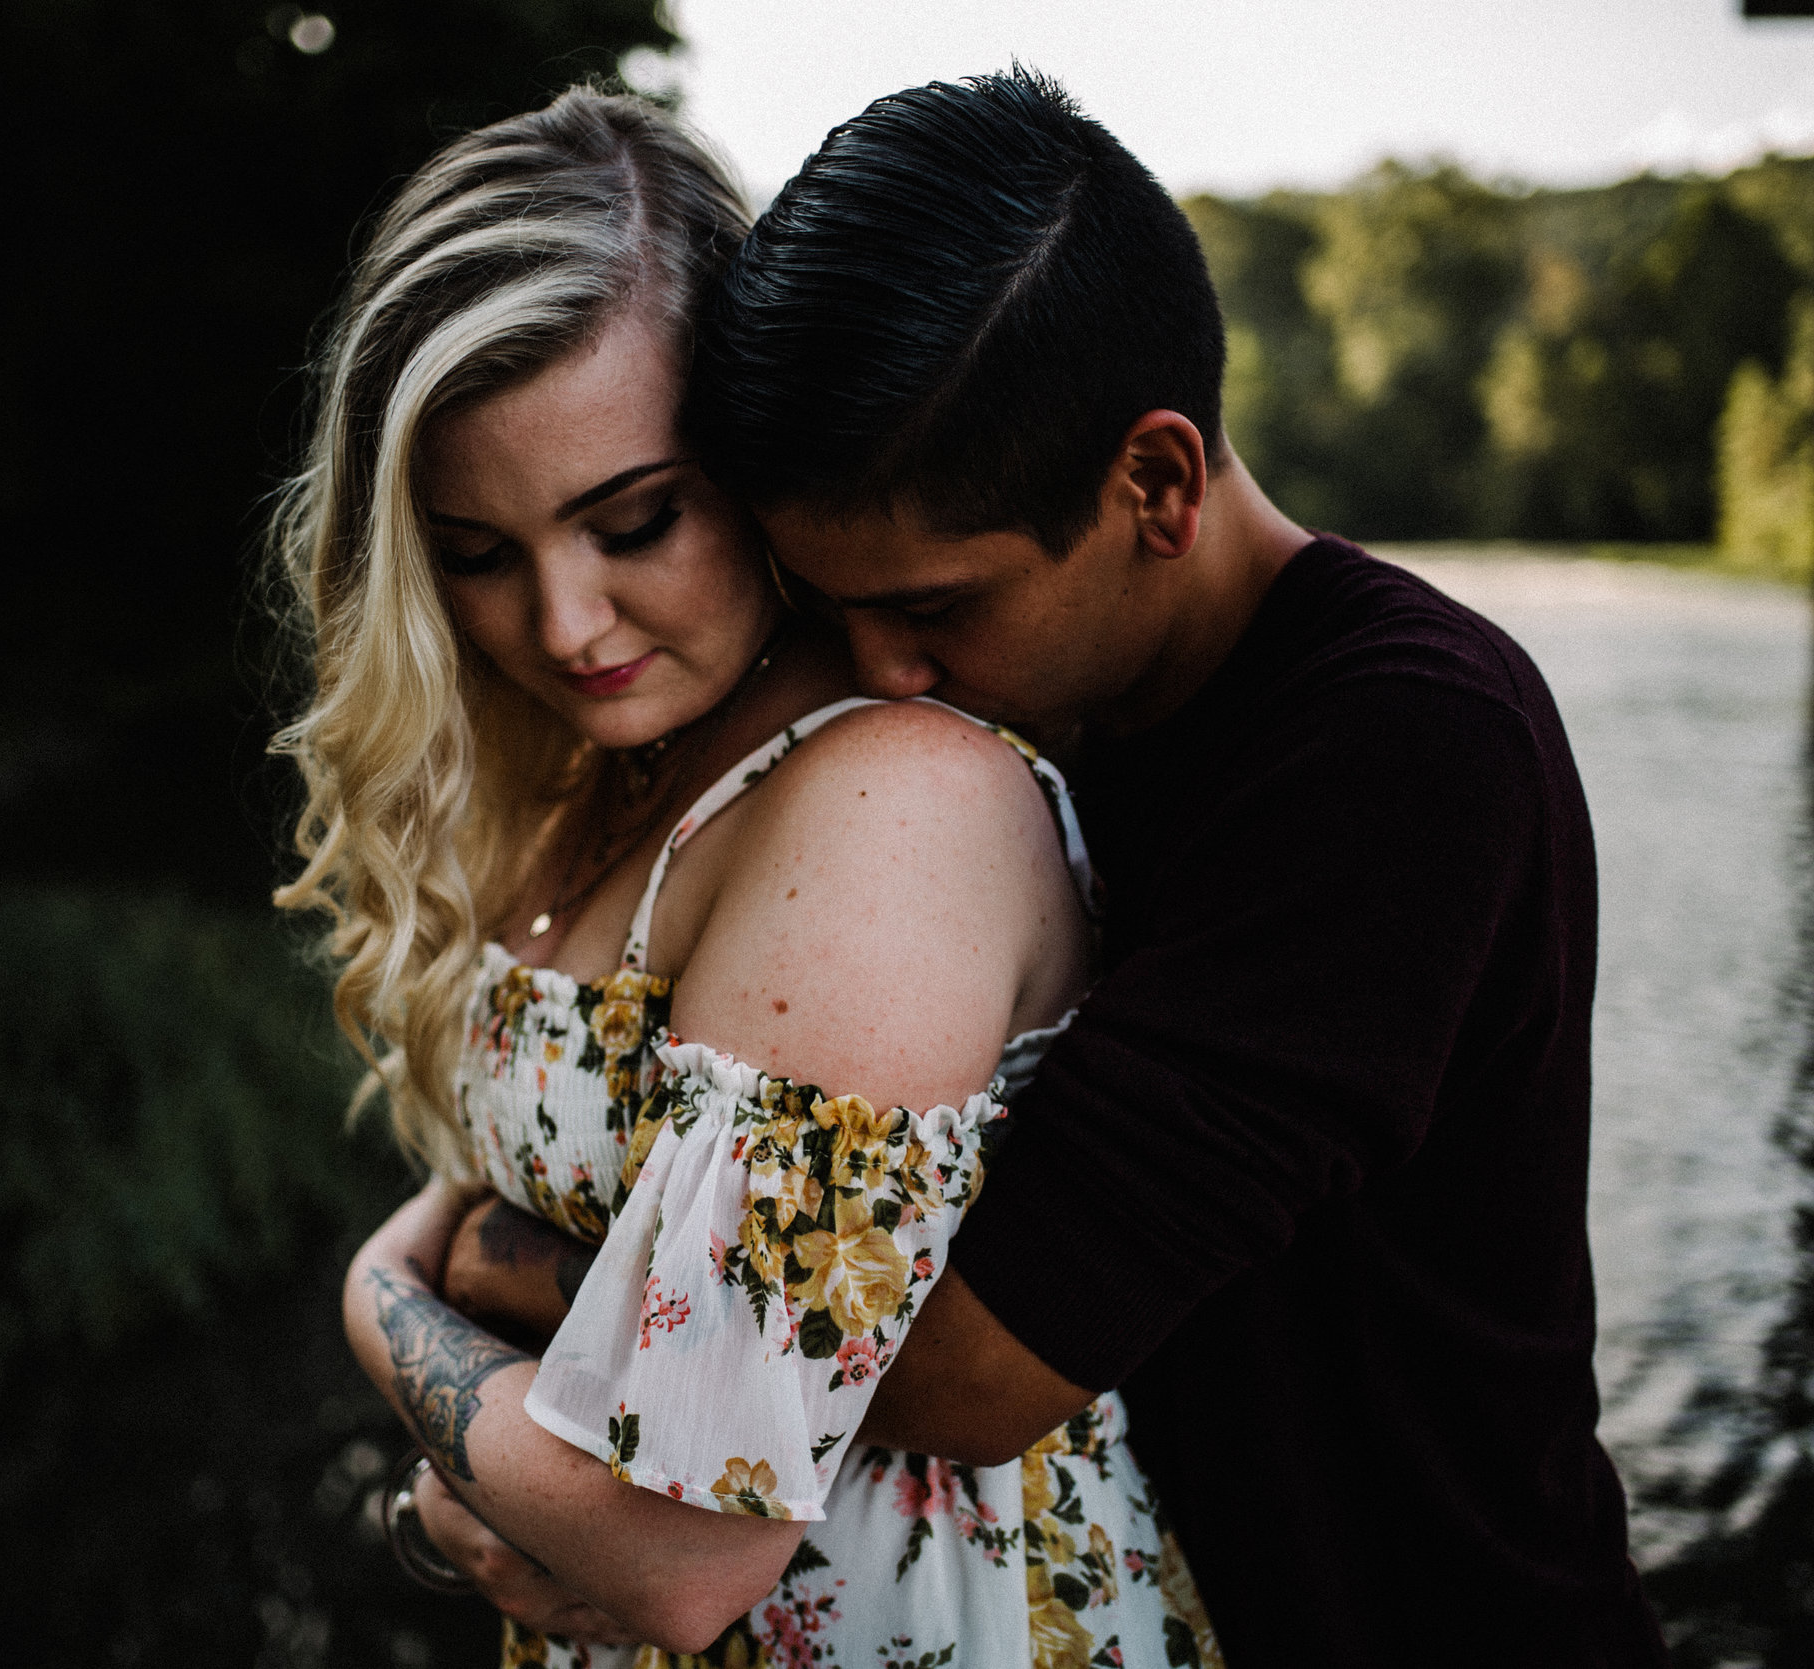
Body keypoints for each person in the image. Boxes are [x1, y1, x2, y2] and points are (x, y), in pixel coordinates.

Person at [661, 69, 1663, 1668]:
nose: (875, 676)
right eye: (826, 604)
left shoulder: (1409, 748)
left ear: (1158, 485)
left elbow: (966, 1368)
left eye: (934, 605)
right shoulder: (1030, 690)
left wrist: (512, 1262)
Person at [273, 88, 1222, 1666]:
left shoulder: (890, 805)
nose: (568, 623)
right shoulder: (603, 772)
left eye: (634, 520)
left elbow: (679, 1543)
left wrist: (381, 1298)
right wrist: (498, 1384)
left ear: (761, 460)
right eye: (479, 551)